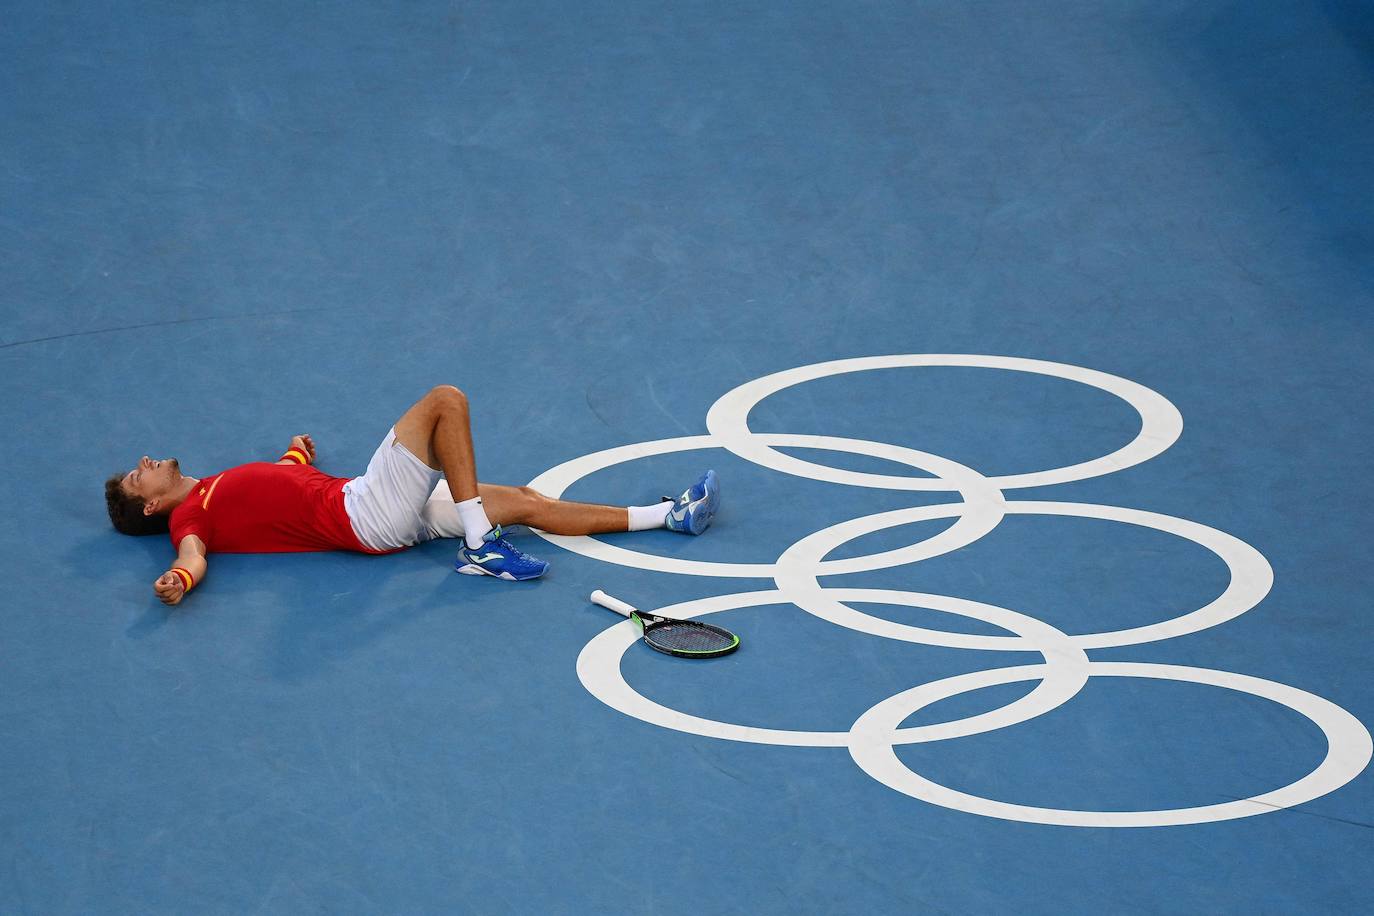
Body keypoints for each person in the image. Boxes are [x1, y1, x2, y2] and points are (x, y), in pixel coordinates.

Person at [104, 385, 720, 605]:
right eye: (138, 478)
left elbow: (278, 484)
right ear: (152, 507)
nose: (145, 463)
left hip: (381, 513)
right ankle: (482, 546)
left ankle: (670, 515)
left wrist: (297, 455)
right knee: (445, 402)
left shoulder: (214, 488)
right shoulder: (190, 514)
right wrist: (179, 581)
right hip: (364, 511)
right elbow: (191, 555)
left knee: (528, 500)